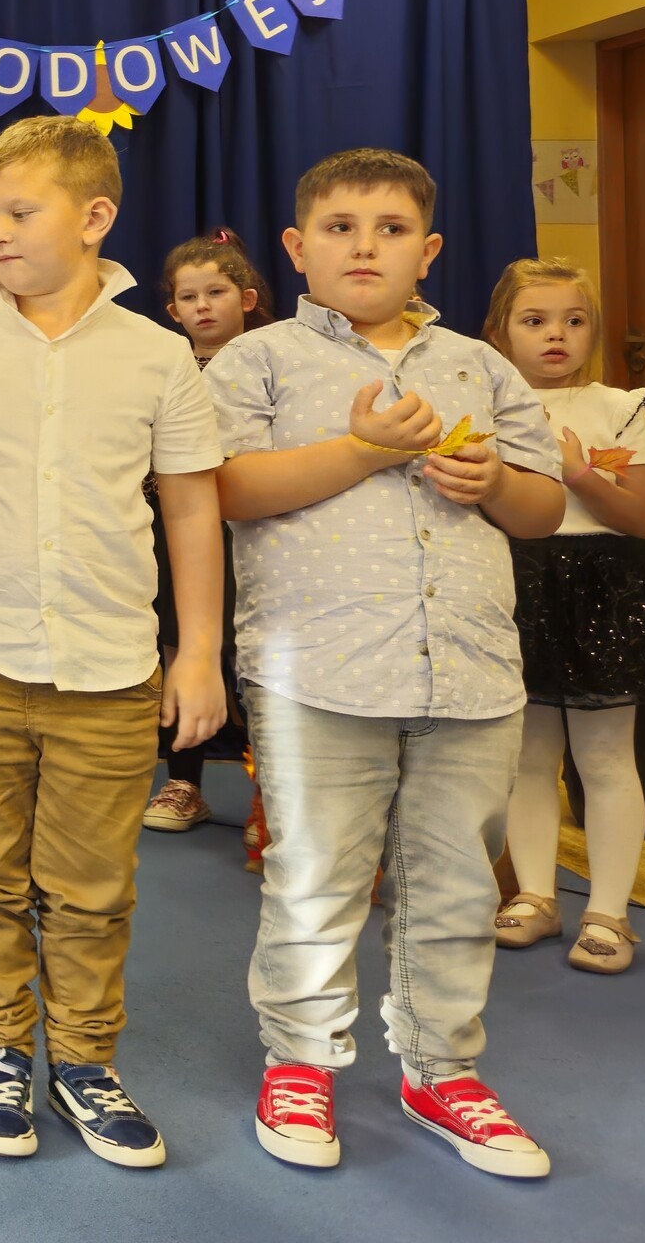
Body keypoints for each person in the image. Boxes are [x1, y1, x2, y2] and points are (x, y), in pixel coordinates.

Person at [209, 148, 565, 1179]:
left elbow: (542, 509)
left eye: (391, 228)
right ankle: (301, 1061)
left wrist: (494, 482)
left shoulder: (478, 365)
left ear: (429, 250)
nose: (364, 246)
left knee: (455, 884)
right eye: (340, 227)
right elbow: (226, 489)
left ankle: (440, 1068)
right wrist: (365, 451)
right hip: (317, 668)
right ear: (296, 247)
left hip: (469, 668)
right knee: (316, 877)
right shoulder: (257, 360)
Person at [0, 117, 226, 1171]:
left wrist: (198, 651)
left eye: (19, 213)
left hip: (110, 666)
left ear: (94, 217)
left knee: (92, 886)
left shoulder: (157, 354)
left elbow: (191, 508)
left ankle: (82, 1060)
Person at [483, 257, 645, 975]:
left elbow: (644, 517)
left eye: (574, 320)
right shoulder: (488, 403)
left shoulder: (619, 405)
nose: (556, 335)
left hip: (598, 586)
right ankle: (536, 894)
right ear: (500, 332)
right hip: (513, 583)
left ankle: (609, 912)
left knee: (606, 758)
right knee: (528, 756)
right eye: (535, 321)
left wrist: (579, 471)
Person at [142, 228, 274, 839]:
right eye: (188, 297)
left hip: (260, 530)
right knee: (181, 646)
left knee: (259, 658)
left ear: (246, 298)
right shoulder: (163, 368)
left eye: (216, 293)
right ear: (173, 310)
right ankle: (184, 781)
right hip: (177, 532)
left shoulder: (274, 360)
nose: (203, 306)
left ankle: (271, 798)